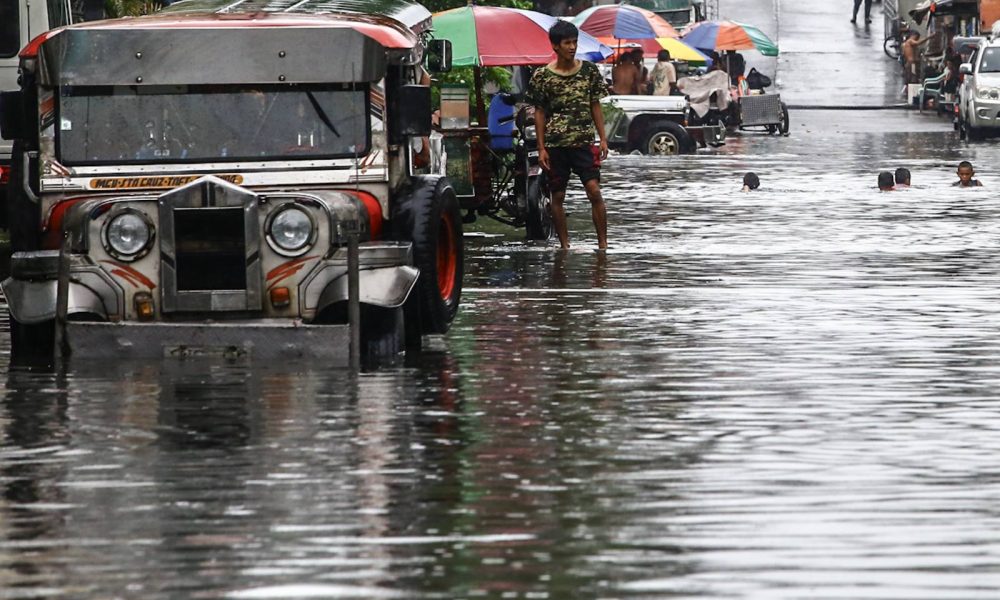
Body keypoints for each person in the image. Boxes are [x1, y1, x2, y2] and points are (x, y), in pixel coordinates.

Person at [527, 20, 609, 249]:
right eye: (567, 43)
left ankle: (603, 244)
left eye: (574, 42)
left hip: (583, 142)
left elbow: (595, 105)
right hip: (555, 145)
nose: (572, 47)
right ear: (555, 46)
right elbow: (539, 113)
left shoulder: (589, 71)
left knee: (594, 191)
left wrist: (602, 138)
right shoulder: (542, 76)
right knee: (558, 197)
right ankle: (565, 246)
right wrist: (541, 147)